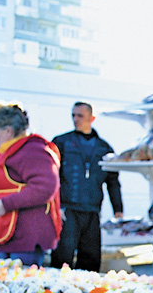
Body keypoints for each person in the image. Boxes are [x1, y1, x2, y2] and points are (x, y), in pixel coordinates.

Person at [0, 102, 62, 266]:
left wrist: (4, 204)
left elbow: (45, 187)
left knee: (21, 288)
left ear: (8, 131)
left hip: (25, 239)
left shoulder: (33, 149)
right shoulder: (10, 150)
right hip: (8, 234)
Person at [50, 101, 122, 272]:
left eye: (80, 115)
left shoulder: (104, 148)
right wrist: (54, 207)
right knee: (62, 258)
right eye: (73, 115)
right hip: (67, 211)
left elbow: (113, 181)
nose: (76, 119)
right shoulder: (61, 142)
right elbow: (50, 177)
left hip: (92, 211)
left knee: (91, 260)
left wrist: (118, 209)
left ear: (92, 118)